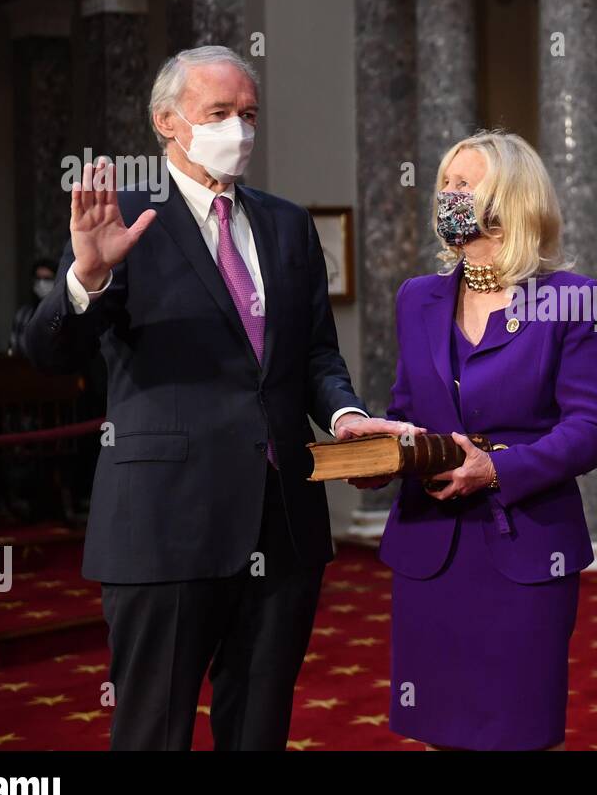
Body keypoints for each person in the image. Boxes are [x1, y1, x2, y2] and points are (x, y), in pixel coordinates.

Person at [24, 45, 414, 750]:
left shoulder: (286, 224)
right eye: (220, 113)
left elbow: (316, 353)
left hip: (283, 522)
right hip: (165, 522)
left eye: (249, 114)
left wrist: (346, 413)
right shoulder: (125, 222)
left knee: (259, 730)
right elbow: (49, 352)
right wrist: (85, 278)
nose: (239, 130)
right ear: (168, 122)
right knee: (154, 732)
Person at [356, 130, 597, 750]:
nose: (446, 196)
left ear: (510, 199)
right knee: (439, 729)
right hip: (430, 549)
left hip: (524, 545)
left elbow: (592, 428)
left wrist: (497, 470)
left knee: (517, 729)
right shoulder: (417, 298)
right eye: (444, 184)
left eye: (462, 185)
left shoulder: (570, 299)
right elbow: (406, 409)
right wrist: (383, 457)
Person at [10, 258, 57, 356]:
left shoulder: (63, 313)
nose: (41, 283)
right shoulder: (23, 314)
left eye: (47, 279)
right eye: (38, 278)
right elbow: (14, 347)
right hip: (24, 368)